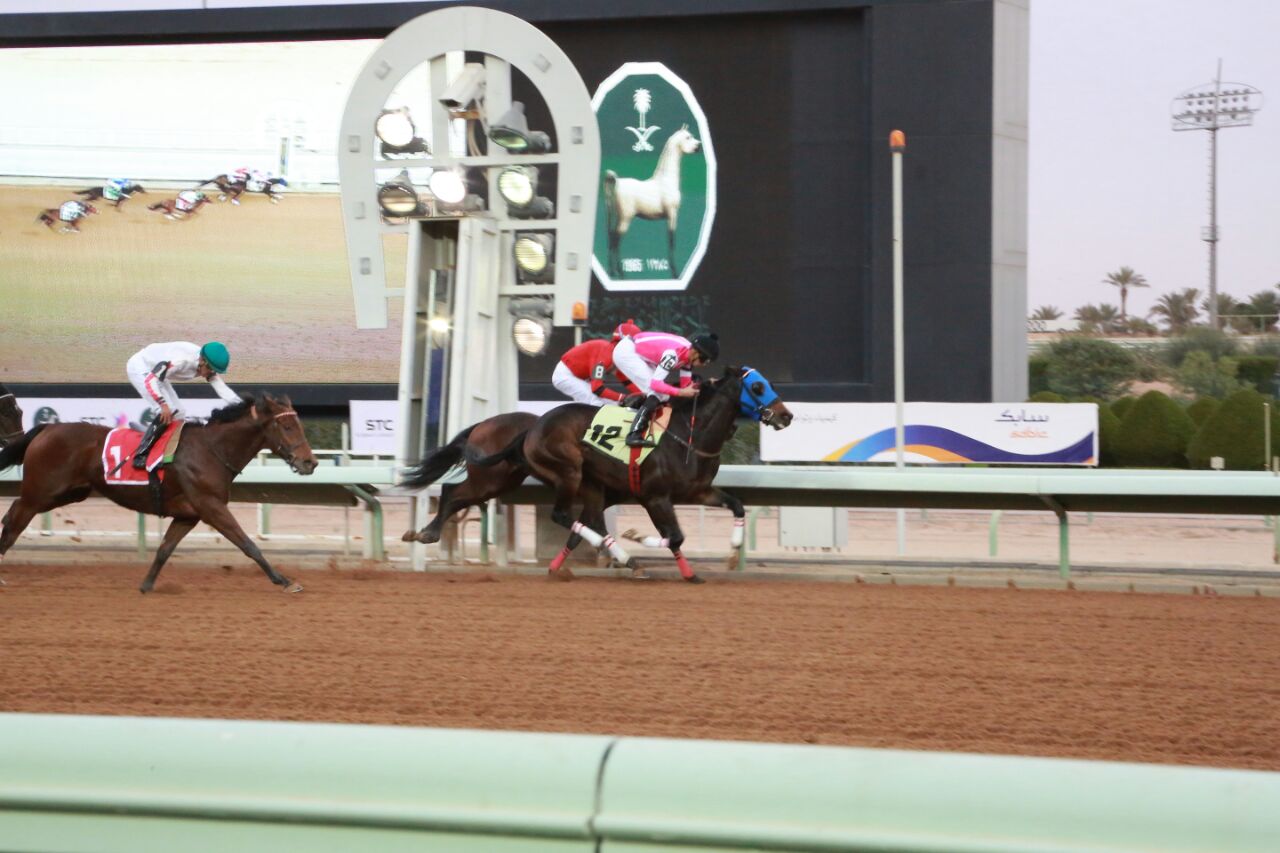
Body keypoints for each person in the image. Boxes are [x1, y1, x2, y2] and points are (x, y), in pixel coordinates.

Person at [126, 341, 239, 468]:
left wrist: (244, 406)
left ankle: (165, 450)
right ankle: (141, 455)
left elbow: (223, 389)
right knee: (167, 411)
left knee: (179, 413)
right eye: (211, 370)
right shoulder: (182, 361)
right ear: (202, 361)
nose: (212, 373)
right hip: (141, 368)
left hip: (157, 373)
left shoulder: (205, 364)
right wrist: (163, 404)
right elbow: (151, 380)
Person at [614, 330, 720, 447]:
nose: (705, 364)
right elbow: (656, 385)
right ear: (696, 353)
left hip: (639, 351)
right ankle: (633, 434)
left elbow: (686, 386)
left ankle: (637, 414)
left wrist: (706, 384)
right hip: (627, 352)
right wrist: (681, 392)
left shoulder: (688, 355)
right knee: (657, 392)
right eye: (705, 360)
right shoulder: (673, 355)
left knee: (662, 394)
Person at [551, 319, 642, 407]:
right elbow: (597, 389)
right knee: (595, 402)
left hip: (579, 377)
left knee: (612, 404)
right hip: (565, 376)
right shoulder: (606, 354)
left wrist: (644, 395)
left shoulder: (616, 354)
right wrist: (623, 398)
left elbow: (627, 382)